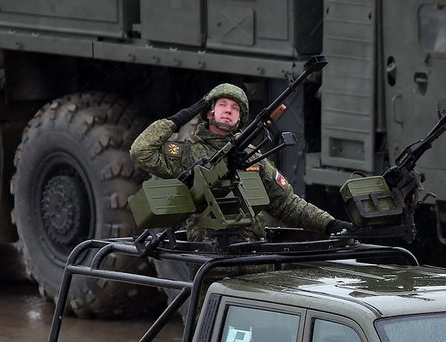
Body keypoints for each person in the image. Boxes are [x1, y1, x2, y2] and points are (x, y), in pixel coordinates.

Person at [129, 83, 353, 241]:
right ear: (209, 113)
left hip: (252, 251)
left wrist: (330, 224)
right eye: (223, 105)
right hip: (210, 256)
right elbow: (141, 151)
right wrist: (181, 118)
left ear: (239, 120)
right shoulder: (188, 153)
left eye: (235, 108)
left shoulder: (252, 157)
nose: (228, 110)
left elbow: (287, 203)